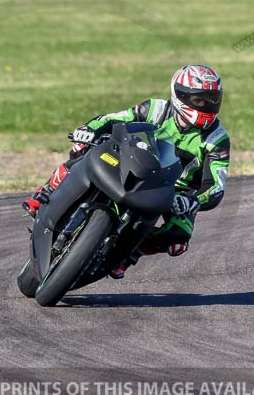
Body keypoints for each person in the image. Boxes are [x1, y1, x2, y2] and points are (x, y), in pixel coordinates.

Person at [23, 64, 230, 278]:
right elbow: (113, 119)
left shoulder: (217, 139)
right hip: (137, 164)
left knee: (179, 237)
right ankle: (46, 192)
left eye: (213, 99)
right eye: (200, 100)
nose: (208, 105)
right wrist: (89, 129)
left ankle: (130, 253)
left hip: (174, 192)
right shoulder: (156, 109)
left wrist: (192, 201)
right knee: (82, 151)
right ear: (180, 95)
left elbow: (215, 185)